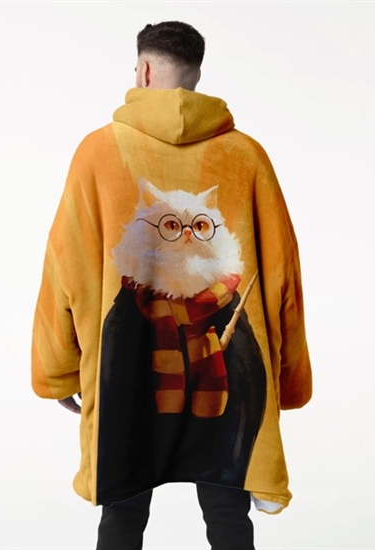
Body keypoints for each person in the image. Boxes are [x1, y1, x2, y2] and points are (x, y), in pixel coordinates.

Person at [31, 20, 312, 550]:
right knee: (229, 519)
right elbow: (283, 278)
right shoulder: (247, 157)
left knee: (121, 516)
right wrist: (287, 378)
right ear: (197, 75)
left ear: (142, 70)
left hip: (128, 372)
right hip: (227, 379)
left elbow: (65, 269)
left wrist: (58, 371)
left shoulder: (97, 153)